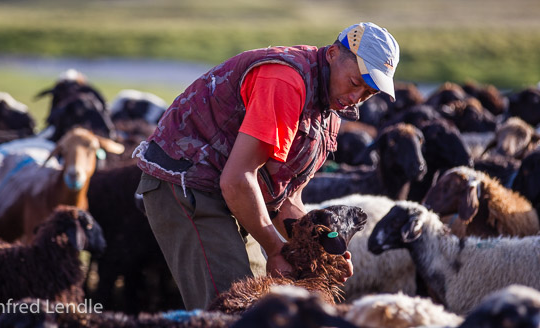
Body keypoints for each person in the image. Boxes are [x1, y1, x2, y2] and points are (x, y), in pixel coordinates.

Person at [134, 22, 400, 309]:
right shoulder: (286, 80)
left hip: (233, 194)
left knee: (260, 304)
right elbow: (237, 179)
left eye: (368, 93)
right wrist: (275, 248)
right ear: (333, 53)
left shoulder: (330, 110)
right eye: (354, 83)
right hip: (188, 185)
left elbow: (285, 199)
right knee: (232, 309)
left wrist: (321, 252)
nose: (355, 98)